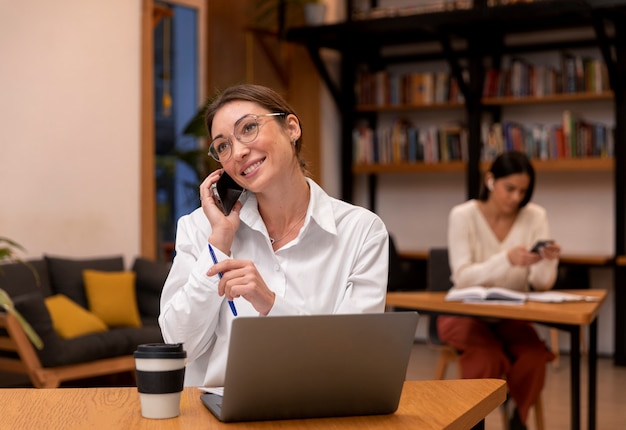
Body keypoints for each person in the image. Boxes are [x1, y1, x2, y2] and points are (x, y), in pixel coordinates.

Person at [158, 84, 389, 387]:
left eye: (249, 128)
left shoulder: (361, 231)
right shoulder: (202, 228)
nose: (238, 152)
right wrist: (219, 243)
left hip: (319, 409)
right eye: (223, 146)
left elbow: (354, 354)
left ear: (291, 128)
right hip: (217, 415)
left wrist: (269, 303)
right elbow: (179, 346)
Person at [437, 150, 560, 430]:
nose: (516, 197)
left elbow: (541, 285)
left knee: (533, 357)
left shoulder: (535, 216)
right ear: (490, 180)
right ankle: (473, 421)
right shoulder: (463, 215)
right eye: (510, 188)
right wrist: (505, 260)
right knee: (486, 357)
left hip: (510, 315)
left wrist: (548, 262)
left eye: (523, 191)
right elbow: (463, 276)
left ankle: (518, 417)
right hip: (464, 314)